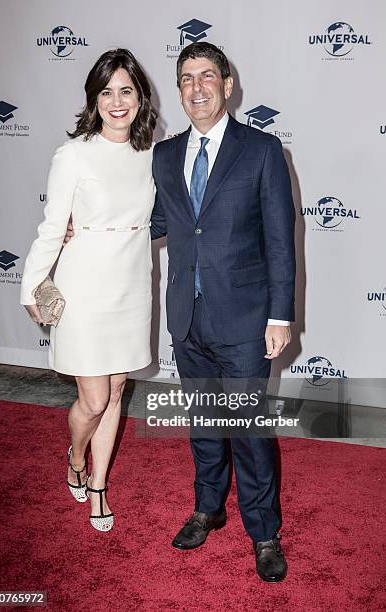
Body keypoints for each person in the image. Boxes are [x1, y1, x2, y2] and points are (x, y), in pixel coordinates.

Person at [150, 43, 295, 582]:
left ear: (227, 85)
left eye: (207, 76)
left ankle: (263, 532)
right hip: (186, 317)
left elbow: (281, 239)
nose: (197, 87)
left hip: (244, 319)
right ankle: (207, 508)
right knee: (204, 423)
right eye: (186, 78)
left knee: (248, 429)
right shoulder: (165, 155)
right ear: (180, 89)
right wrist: (90, 231)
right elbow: (156, 223)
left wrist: (279, 315)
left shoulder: (260, 150)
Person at [20, 49, 157, 532]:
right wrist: (33, 286)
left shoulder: (151, 153)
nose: (117, 102)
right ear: (93, 99)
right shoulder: (73, 154)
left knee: (118, 389)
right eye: (107, 92)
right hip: (86, 285)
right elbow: (52, 226)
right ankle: (76, 456)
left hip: (132, 283)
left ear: (140, 97)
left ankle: (98, 484)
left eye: (126, 90)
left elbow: (159, 218)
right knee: (94, 400)